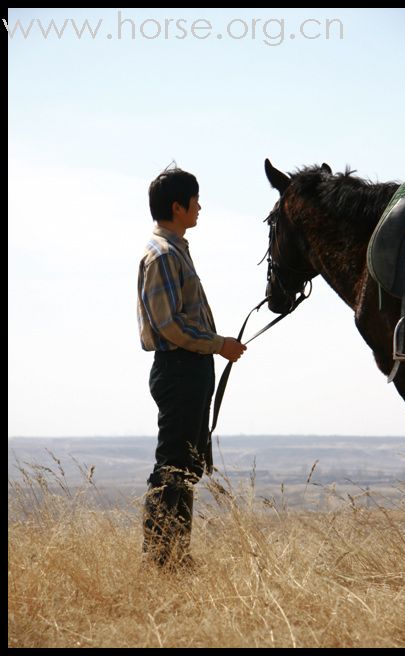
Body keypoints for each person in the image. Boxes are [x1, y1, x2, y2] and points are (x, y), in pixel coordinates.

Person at [137, 166, 246, 568]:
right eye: (195, 200)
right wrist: (219, 345)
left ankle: (175, 556)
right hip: (179, 369)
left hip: (190, 369)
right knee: (172, 468)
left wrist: (215, 350)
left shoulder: (176, 249)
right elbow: (169, 324)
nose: (200, 207)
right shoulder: (163, 255)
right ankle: (160, 560)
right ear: (178, 206)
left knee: (186, 468)